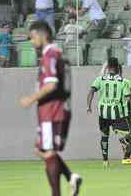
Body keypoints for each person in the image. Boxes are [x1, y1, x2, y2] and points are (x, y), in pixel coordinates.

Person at [20, 21, 82, 196]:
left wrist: (30, 99)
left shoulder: (50, 54)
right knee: (41, 149)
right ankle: (71, 177)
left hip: (52, 110)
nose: (32, 42)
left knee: (48, 151)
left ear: (42, 35)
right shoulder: (54, 54)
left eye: (32, 37)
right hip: (51, 110)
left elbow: (51, 84)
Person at [87, 57, 131, 167]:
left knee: (104, 136)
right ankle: (124, 143)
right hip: (117, 115)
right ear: (117, 67)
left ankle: (105, 161)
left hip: (103, 114)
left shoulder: (100, 79)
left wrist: (89, 106)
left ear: (108, 67)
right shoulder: (123, 81)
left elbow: (91, 91)